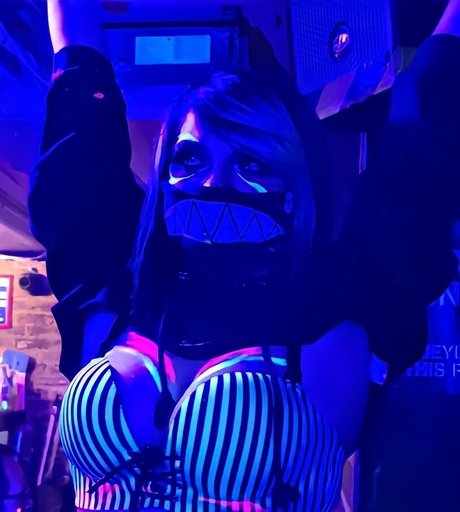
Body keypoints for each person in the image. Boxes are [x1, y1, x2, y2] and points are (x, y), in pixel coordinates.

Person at [28, 0, 460, 511]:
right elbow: (80, 109)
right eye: (190, 158)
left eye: (251, 162)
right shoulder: (120, 285)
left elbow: (418, 157)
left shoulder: (337, 303)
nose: (213, 182)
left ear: (291, 188)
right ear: (164, 177)